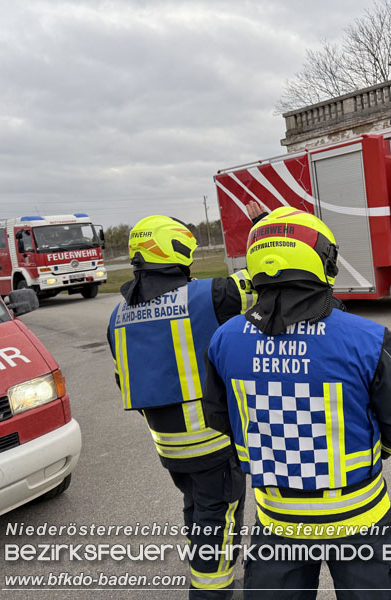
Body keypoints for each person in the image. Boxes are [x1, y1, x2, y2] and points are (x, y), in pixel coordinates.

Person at [203, 207, 391, 599]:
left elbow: (220, 417)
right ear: (325, 261)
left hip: (278, 520)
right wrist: (374, 451)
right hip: (358, 518)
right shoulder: (369, 339)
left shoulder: (224, 339)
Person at [107, 205, 265, 599]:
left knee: (197, 511)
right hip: (212, 444)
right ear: (176, 251)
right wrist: (262, 225)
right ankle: (212, 591)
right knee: (219, 522)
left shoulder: (117, 316)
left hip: (169, 448)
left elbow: (124, 379)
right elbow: (264, 274)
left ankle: (208, 576)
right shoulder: (210, 295)